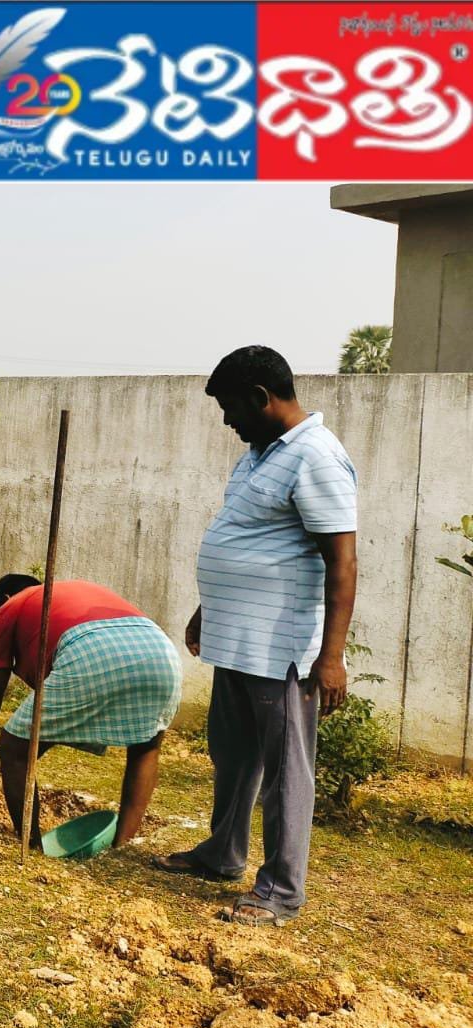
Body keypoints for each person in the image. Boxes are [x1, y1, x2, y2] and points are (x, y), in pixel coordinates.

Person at [152, 345, 357, 928]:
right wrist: (205, 607)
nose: (227, 419)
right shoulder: (258, 454)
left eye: (230, 406)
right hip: (236, 638)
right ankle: (222, 854)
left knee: (286, 770)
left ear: (262, 398)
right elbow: (242, 537)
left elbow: (342, 561)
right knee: (234, 756)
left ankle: (281, 890)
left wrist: (332, 656)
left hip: (281, 647)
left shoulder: (316, 455)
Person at [0, 575, 183, 849]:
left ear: (4, 599)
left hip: (93, 650)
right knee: (146, 747)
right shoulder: (75, 589)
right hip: (160, 651)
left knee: (13, 749)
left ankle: (31, 845)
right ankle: (122, 844)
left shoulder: (10, 607)